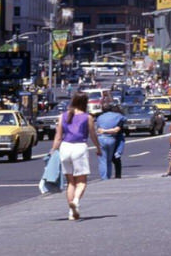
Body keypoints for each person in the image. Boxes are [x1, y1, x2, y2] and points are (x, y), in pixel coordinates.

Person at [51, 92, 98, 221]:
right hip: (79, 148)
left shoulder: (63, 116)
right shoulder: (87, 117)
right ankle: (76, 202)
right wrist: (98, 148)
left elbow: (58, 136)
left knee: (71, 182)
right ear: (85, 103)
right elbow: (93, 135)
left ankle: (71, 213)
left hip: (65, 148)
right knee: (81, 181)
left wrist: (53, 151)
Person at [95, 101, 126, 180]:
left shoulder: (100, 117)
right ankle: (108, 177)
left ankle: (104, 177)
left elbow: (98, 128)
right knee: (109, 160)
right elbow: (124, 119)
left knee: (102, 160)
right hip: (111, 138)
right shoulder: (118, 116)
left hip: (101, 138)